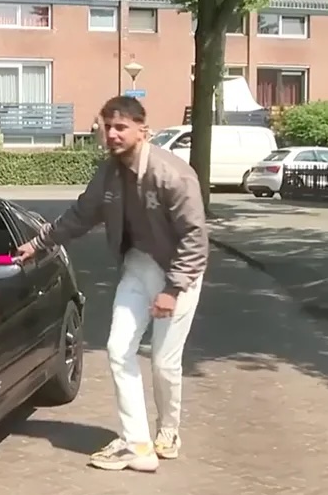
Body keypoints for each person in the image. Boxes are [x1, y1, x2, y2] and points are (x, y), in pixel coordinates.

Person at [16, 96, 208, 473]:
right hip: (138, 266)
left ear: (143, 131)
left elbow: (195, 239)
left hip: (179, 272)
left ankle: (168, 430)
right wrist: (38, 243)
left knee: (164, 362)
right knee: (119, 350)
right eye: (108, 127)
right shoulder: (108, 173)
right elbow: (80, 215)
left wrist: (172, 290)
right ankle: (137, 445)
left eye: (121, 127)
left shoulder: (173, 175)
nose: (113, 134)